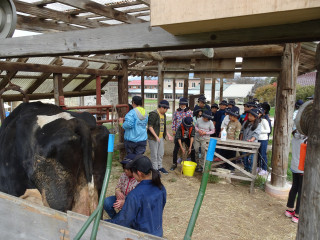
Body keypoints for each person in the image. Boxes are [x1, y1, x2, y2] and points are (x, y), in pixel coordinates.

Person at [106, 155, 166, 237]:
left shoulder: (135, 194)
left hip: (141, 235)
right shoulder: (160, 187)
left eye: (132, 171)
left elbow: (124, 221)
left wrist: (104, 222)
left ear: (138, 173)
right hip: (158, 233)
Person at [285, 100, 306, 223]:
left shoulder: (295, 134)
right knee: (302, 190)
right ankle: (297, 214)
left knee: (295, 187)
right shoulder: (307, 138)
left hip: (294, 165)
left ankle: (289, 209)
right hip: (303, 166)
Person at [103, 154, 139, 218]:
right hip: (121, 199)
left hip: (131, 204)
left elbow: (138, 200)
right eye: (124, 168)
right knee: (106, 202)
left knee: (126, 215)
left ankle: (119, 219)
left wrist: (125, 203)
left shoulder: (139, 180)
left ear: (134, 169)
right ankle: (115, 217)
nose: (125, 171)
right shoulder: (123, 175)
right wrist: (117, 192)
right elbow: (118, 186)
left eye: (128, 169)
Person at [147, 100, 173, 174]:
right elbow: (150, 127)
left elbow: (164, 127)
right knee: (154, 154)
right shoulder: (153, 114)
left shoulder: (163, 115)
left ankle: (160, 167)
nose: (166, 110)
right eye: (166, 109)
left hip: (161, 137)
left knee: (160, 153)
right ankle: (155, 170)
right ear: (161, 107)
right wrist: (156, 136)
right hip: (153, 138)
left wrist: (168, 135)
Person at [172, 98, 193, 164]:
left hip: (186, 130)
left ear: (186, 104)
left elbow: (192, 122)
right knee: (179, 144)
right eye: (181, 104)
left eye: (184, 104)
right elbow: (174, 121)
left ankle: (188, 157)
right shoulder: (177, 112)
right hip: (178, 130)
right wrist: (173, 130)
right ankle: (180, 157)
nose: (182, 106)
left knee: (187, 144)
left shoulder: (189, 112)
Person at [240, 108, 261, 172]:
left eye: (251, 116)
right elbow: (242, 131)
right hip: (244, 142)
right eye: (248, 115)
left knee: (251, 158)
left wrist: (251, 140)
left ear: (255, 117)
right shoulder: (246, 122)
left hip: (252, 144)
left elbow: (256, 134)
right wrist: (240, 140)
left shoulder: (258, 125)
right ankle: (246, 169)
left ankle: (251, 170)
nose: (249, 117)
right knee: (244, 157)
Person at [257, 107, 271, 176]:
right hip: (257, 139)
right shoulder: (257, 120)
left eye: (259, 113)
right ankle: (258, 167)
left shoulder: (264, 121)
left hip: (263, 139)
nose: (258, 114)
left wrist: (260, 131)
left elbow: (268, 130)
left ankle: (264, 169)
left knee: (263, 154)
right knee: (258, 154)